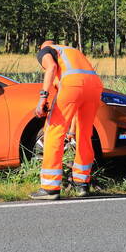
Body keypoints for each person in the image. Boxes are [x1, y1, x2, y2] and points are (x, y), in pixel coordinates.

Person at [29, 40, 103, 200]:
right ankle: (82, 184)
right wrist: (72, 130)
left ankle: (50, 188)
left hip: (72, 85)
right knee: (84, 134)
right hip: (95, 86)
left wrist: (43, 98)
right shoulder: (71, 51)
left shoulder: (46, 51)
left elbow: (51, 68)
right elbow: (80, 93)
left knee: (53, 132)